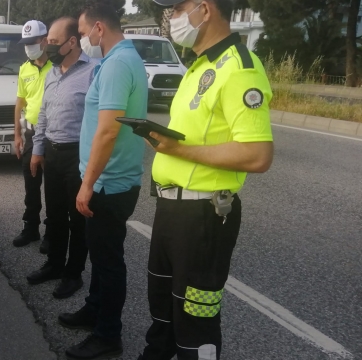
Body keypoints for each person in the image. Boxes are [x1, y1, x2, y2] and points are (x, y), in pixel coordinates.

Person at [139, 1, 274, 359]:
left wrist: (177, 151)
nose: (173, 17)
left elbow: (257, 155)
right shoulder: (200, 65)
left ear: (204, 8)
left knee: (195, 324)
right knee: (162, 313)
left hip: (203, 217)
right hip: (171, 210)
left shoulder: (240, 69)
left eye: (178, 7)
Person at [58, 2, 148, 359]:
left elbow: (108, 131)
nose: (82, 40)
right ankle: (94, 309)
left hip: (108, 184)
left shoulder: (117, 65)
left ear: (98, 28)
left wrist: (87, 183)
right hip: (109, 180)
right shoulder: (121, 59)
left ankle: (108, 335)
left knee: (109, 262)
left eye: (81, 34)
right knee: (100, 254)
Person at [27, 17, 97, 299]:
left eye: (53, 42)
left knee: (76, 218)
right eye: (47, 42)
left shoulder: (94, 72)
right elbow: (43, 113)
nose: (48, 47)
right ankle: (54, 264)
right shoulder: (53, 73)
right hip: (52, 154)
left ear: (72, 42)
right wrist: (37, 149)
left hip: (77, 155)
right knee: (54, 214)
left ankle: (73, 274)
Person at [11, 20, 52, 253]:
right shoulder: (24, 68)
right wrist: (17, 133)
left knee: (54, 188)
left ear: (45, 41)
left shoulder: (57, 67)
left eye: (32, 42)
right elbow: (19, 103)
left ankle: (52, 232)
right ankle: (31, 227)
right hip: (32, 132)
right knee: (31, 184)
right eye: (25, 43)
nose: (28, 47)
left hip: (53, 135)